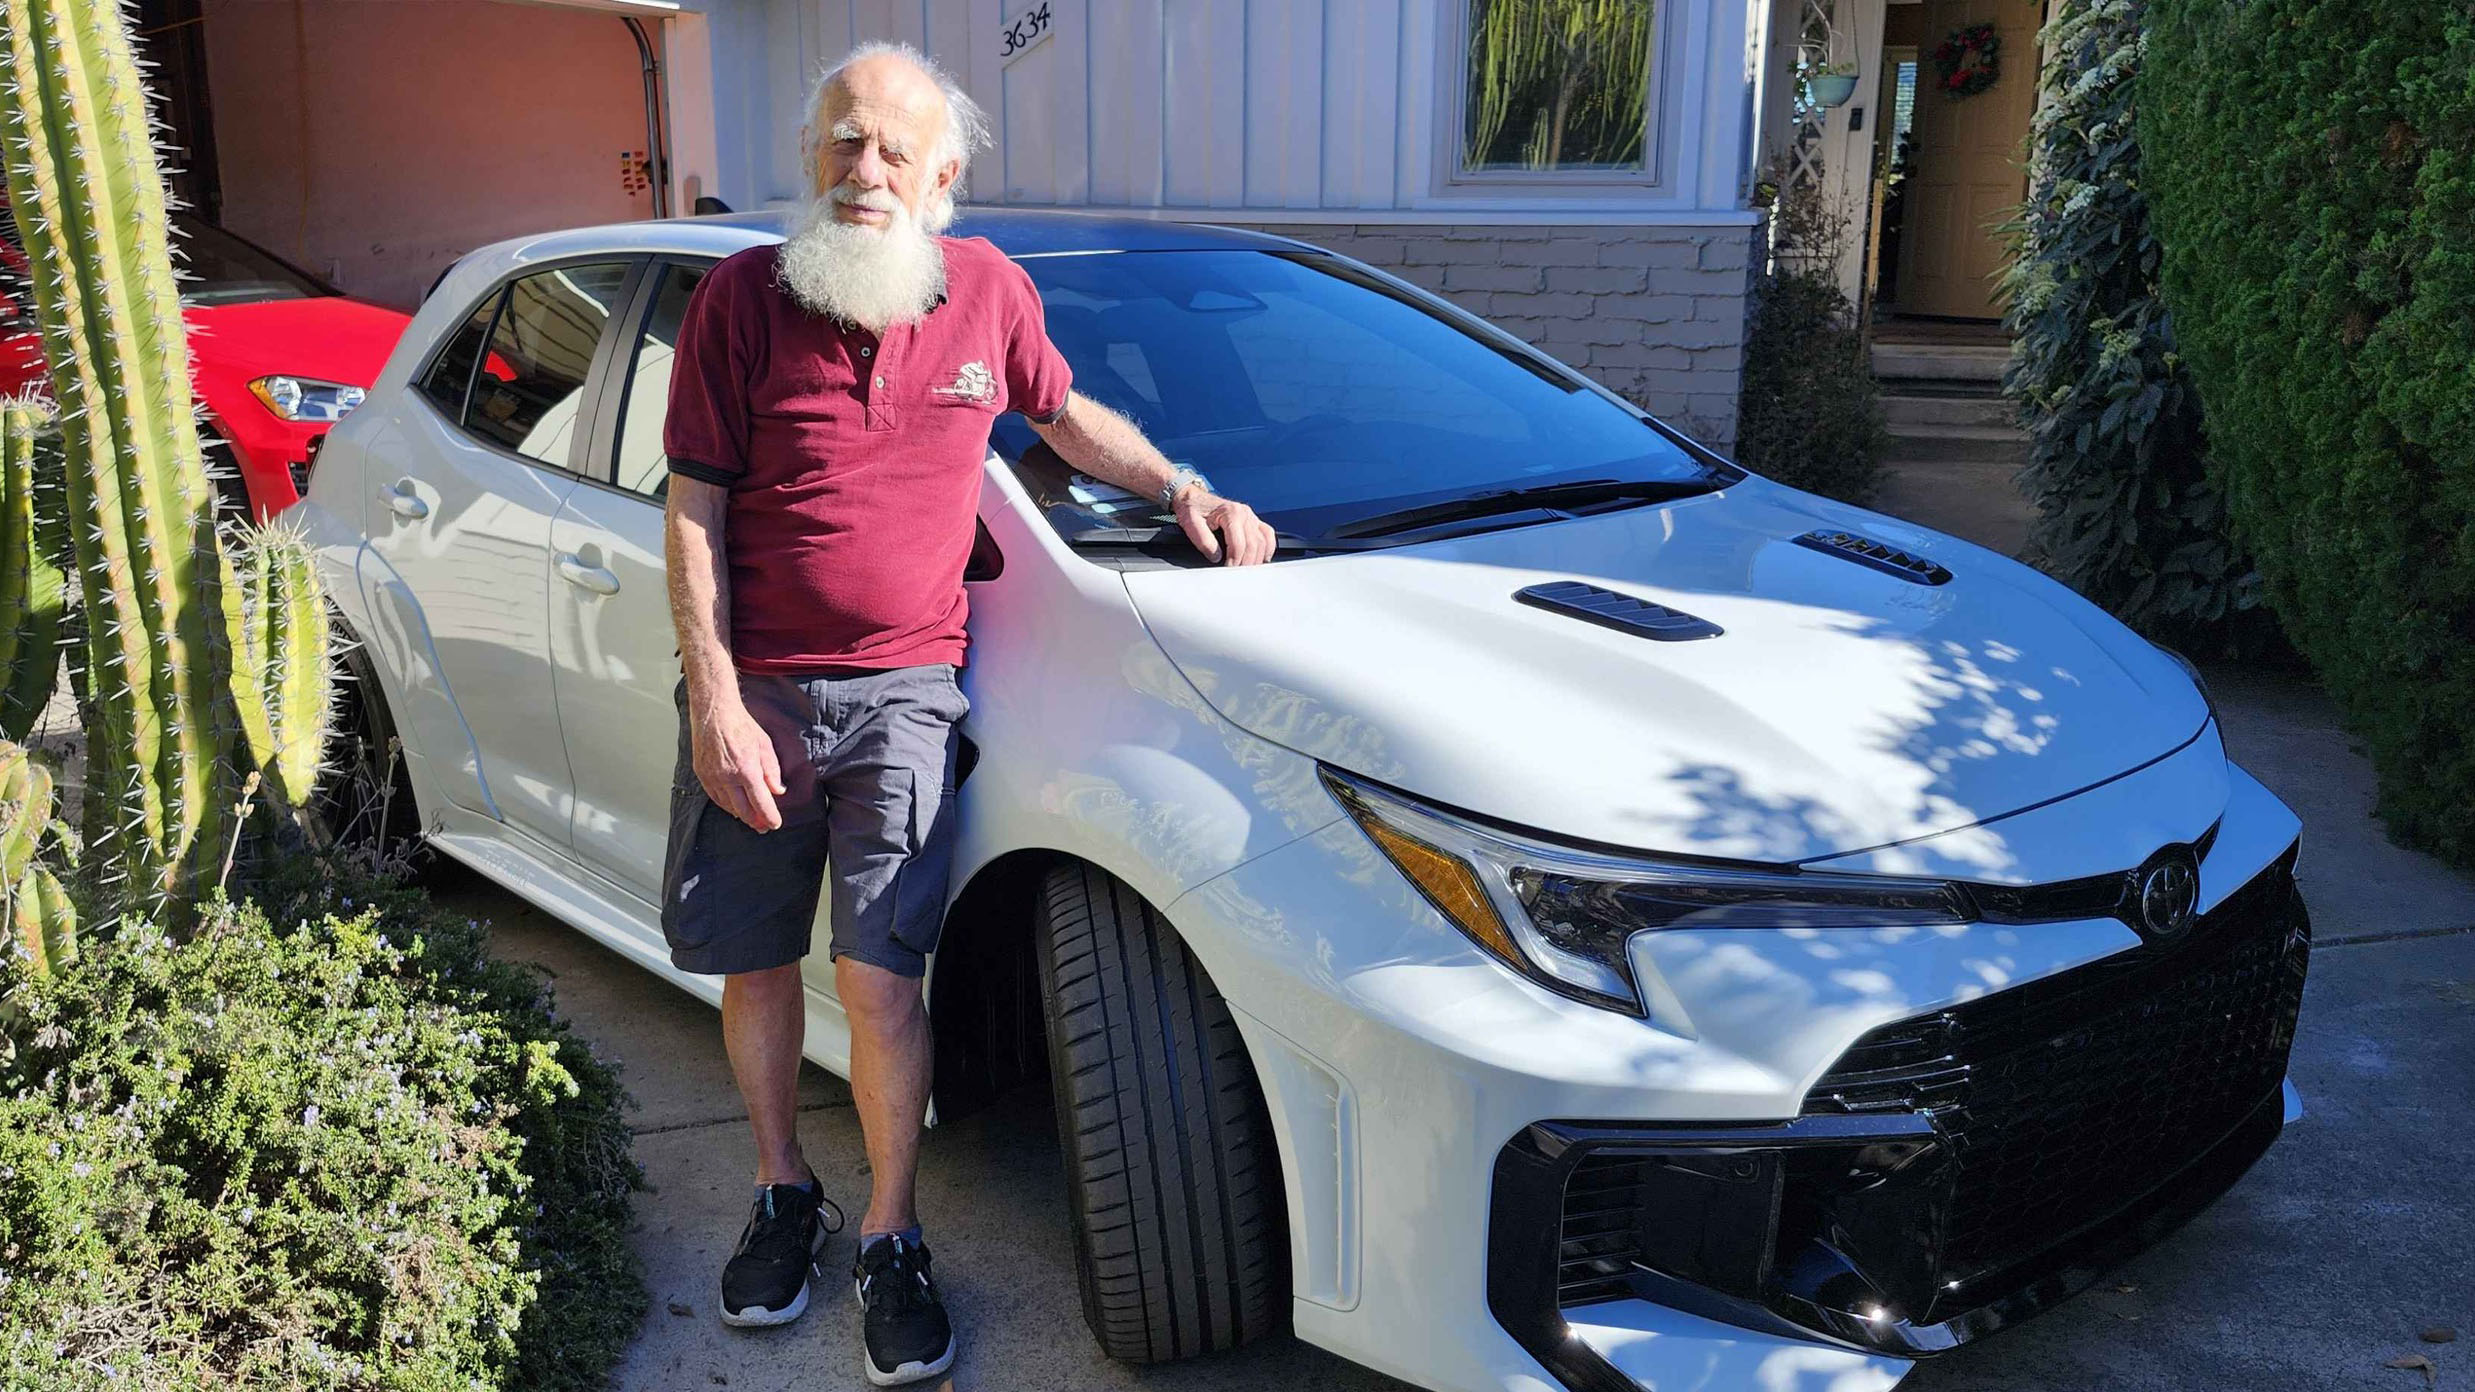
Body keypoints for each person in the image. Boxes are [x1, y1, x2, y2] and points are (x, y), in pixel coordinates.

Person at [657, 40, 1277, 1388]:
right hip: (757, 687)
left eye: (891, 148)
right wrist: (712, 691)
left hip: (905, 697)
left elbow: (1062, 419)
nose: (861, 168)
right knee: (756, 961)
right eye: (840, 141)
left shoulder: (987, 293)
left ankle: (889, 1233)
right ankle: (782, 1194)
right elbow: (695, 501)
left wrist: (1185, 490)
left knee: (883, 983)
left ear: (940, 179)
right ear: (811, 157)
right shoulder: (741, 301)